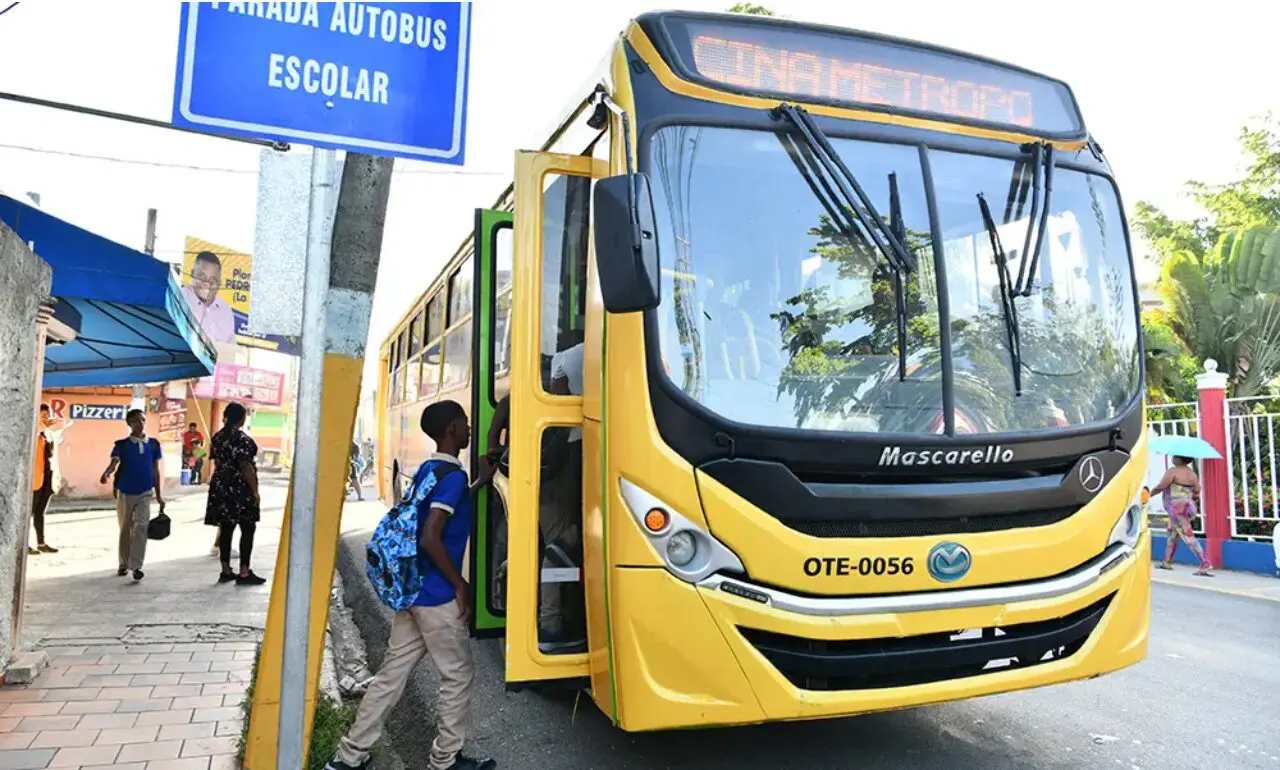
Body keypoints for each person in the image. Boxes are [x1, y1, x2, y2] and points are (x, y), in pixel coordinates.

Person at [327, 400, 496, 770]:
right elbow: (431, 537)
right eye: (465, 423)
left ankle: (349, 756)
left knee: (391, 675)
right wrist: (460, 583)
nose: (469, 429)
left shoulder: (429, 471)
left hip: (412, 590)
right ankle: (445, 760)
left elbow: (432, 514)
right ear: (452, 428)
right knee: (457, 675)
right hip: (436, 595)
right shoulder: (450, 478)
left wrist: (480, 482)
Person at [204, 403, 266, 586]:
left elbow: (217, 461)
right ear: (242, 419)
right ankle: (245, 571)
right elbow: (246, 467)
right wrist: (255, 492)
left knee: (226, 527)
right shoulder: (243, 440)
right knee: (247, 528)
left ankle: (225, 569)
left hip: (221, 486)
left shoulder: (217, 438)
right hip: (240, 488)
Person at [99, 409, 164, 582]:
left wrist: (159, 495)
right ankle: (123, 563)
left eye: (142, 420)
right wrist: (106, 473)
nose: (140, 423)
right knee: (125, 528)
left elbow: (155, 470)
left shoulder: (154, 444)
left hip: (145, 492)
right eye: (135, 421)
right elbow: (114, 463)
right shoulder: (122, 445)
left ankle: (136, 566)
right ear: (129, 424)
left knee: (141, 527)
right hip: (125, 491)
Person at [1152, 455, 1214, 576]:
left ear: (1179, 459)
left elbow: (1161, 486)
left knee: (1188, 535)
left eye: (1175, 456)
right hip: (1187, 507)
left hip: (1176, 509)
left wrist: (1148, 494)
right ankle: (1167, 562)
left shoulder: (1173, 471)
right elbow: (1197, 490)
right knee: (1173, 535)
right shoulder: (1192, 474)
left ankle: (1205, 563)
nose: (1173, 458)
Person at [180, 250, 235, 343]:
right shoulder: (180, 298)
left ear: (219, 284)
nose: (206, 283)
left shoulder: (226, 312)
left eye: (213, 280)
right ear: (192, 274)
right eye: (201, 277)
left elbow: (229, 349)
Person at [29, 404, 59, 555]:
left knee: (40, 512)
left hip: (47, 477)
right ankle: (24, 544)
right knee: (28, 512)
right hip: (34, 479)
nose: (46, 418)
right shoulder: (33, 432)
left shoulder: (48, 434)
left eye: (47, 415)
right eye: (43, 415)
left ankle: (41, 542)